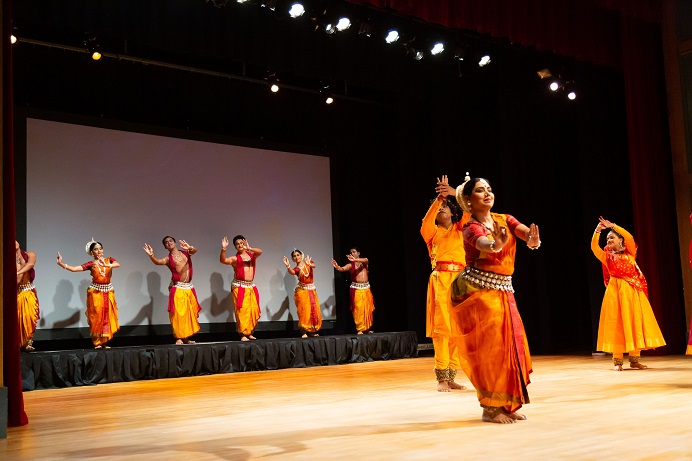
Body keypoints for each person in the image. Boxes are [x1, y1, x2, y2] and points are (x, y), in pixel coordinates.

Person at [449, 174, 539, 424]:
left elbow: (522, 232)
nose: (487, 193)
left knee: (510, 345)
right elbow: (484, 244)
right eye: (480, 190)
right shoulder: (470, 226)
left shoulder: (504, 219)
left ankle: (505, 403)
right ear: (468, 199)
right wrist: (495, 244)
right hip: (477, 293)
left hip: (502, 291)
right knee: (491, 350)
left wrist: (532, 240)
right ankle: (490, 407)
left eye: (489, 189)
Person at [591, 216, 666, 369]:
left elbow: (630, 237)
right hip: (615, 293)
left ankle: (634, 360)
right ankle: (617, 361)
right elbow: (594, 247)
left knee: (634, 323)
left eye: (611, 237)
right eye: (607, 238)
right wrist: (597, 231)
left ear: (621, 240)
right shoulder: (607, 256)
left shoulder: (630, 252)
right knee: (617, 324)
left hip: (633, 292)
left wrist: (613, 226)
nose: (608, 240)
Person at [421, 174, 469, 392]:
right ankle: (441, 377)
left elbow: (471, 210)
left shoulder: (462, 229)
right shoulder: (432, 234)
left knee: (459, 330)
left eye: (445, 207)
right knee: (443, 330)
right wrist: (438, 200)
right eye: (438, 209)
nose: (441, 210)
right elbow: (425, 222)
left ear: (452, 211)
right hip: (441, 280)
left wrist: (453, 192)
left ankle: (451, 375)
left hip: (460, 280)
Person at [57, 238, 120, 348]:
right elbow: (75, 269)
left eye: (100, 248)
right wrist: (62, 264)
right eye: (96, 249)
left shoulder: (109, 260)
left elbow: (117, 264)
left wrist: (107, 265)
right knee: (96, 316)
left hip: (108, 291)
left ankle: (104, 342)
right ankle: (97, 342)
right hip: (95, 292)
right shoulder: (91, 264)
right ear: (92, 252)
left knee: (106, 317)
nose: (99, 251)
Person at [144, 236, 201, 345]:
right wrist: (151, 255)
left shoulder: (186, 253)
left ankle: (186, 337)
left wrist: (190, 247)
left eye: (170, 241)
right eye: (166, 242)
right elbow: (157, 262)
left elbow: (194, 250)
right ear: (165, 247)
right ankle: (178, 337)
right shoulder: (168, 259)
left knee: (188, 314)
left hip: (189, 287)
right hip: (178, 288)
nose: (169, 243)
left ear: (175, 243)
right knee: (178, 315)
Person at [220, 235, 262, 341]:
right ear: (235, 247)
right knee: (242, 311)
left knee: (252, 310)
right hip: (239, 287)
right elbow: (223, 260)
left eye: (241, 243)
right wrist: (224, 249)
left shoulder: (252, 256)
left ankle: (249, 332)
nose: (240, 245)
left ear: (245, 243)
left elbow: (260, 252)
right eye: (237, 244)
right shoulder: (235, 258)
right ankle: (243, 334)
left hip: (250, 287)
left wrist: (250, 248)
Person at [331, 246, 375, 334]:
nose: (352, 254)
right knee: (358, 310)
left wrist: (356, 260)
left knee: (367, 309)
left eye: (354, 252)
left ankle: (367, 328)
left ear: (358, 253)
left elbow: (366, 260)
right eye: (351, 253)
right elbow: (342, 269)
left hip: (366, 288)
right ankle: (360, 329)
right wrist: (337, 267)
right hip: (357, 289)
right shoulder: (351, 265)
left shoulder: (364, 262)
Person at [283, 249, 322, 338]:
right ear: (293, 259)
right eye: (294, 256)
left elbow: (314, 265)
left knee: (313, 310)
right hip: (302, 291)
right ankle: (304, 331)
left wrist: (309, 264)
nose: (296, 257)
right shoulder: (296, 269)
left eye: (298, 255)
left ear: (302, 255)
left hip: (311, 290)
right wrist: (288, 266)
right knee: (304, 311)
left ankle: (312, 330)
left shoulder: (308, 262)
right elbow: (292, 272)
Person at [16, 240, 40, 351]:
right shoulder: (10, 260)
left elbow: (30, 264)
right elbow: (18, 280)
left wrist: (16, 272)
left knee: (29, 317)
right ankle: (18, 344)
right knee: (18, 319)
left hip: (29, 291)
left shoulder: (31, 254)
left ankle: (28, 343)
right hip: (17, 293)